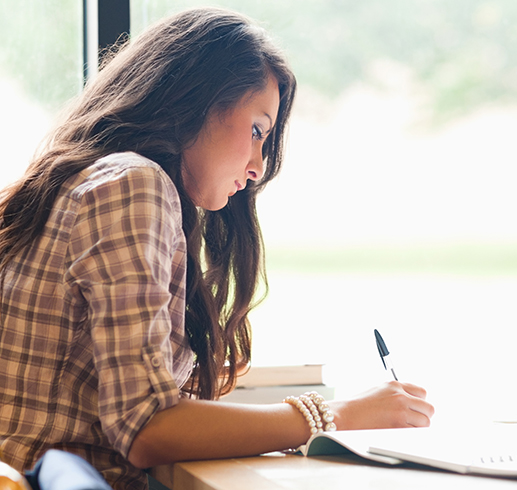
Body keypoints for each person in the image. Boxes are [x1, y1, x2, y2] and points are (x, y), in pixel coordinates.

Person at [0, 7, 434, 490]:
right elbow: (146, 426)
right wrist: (336, 414)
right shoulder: (132, 184)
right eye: (256, 131)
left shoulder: (91, 181)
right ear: (196, 101)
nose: (257, 167)